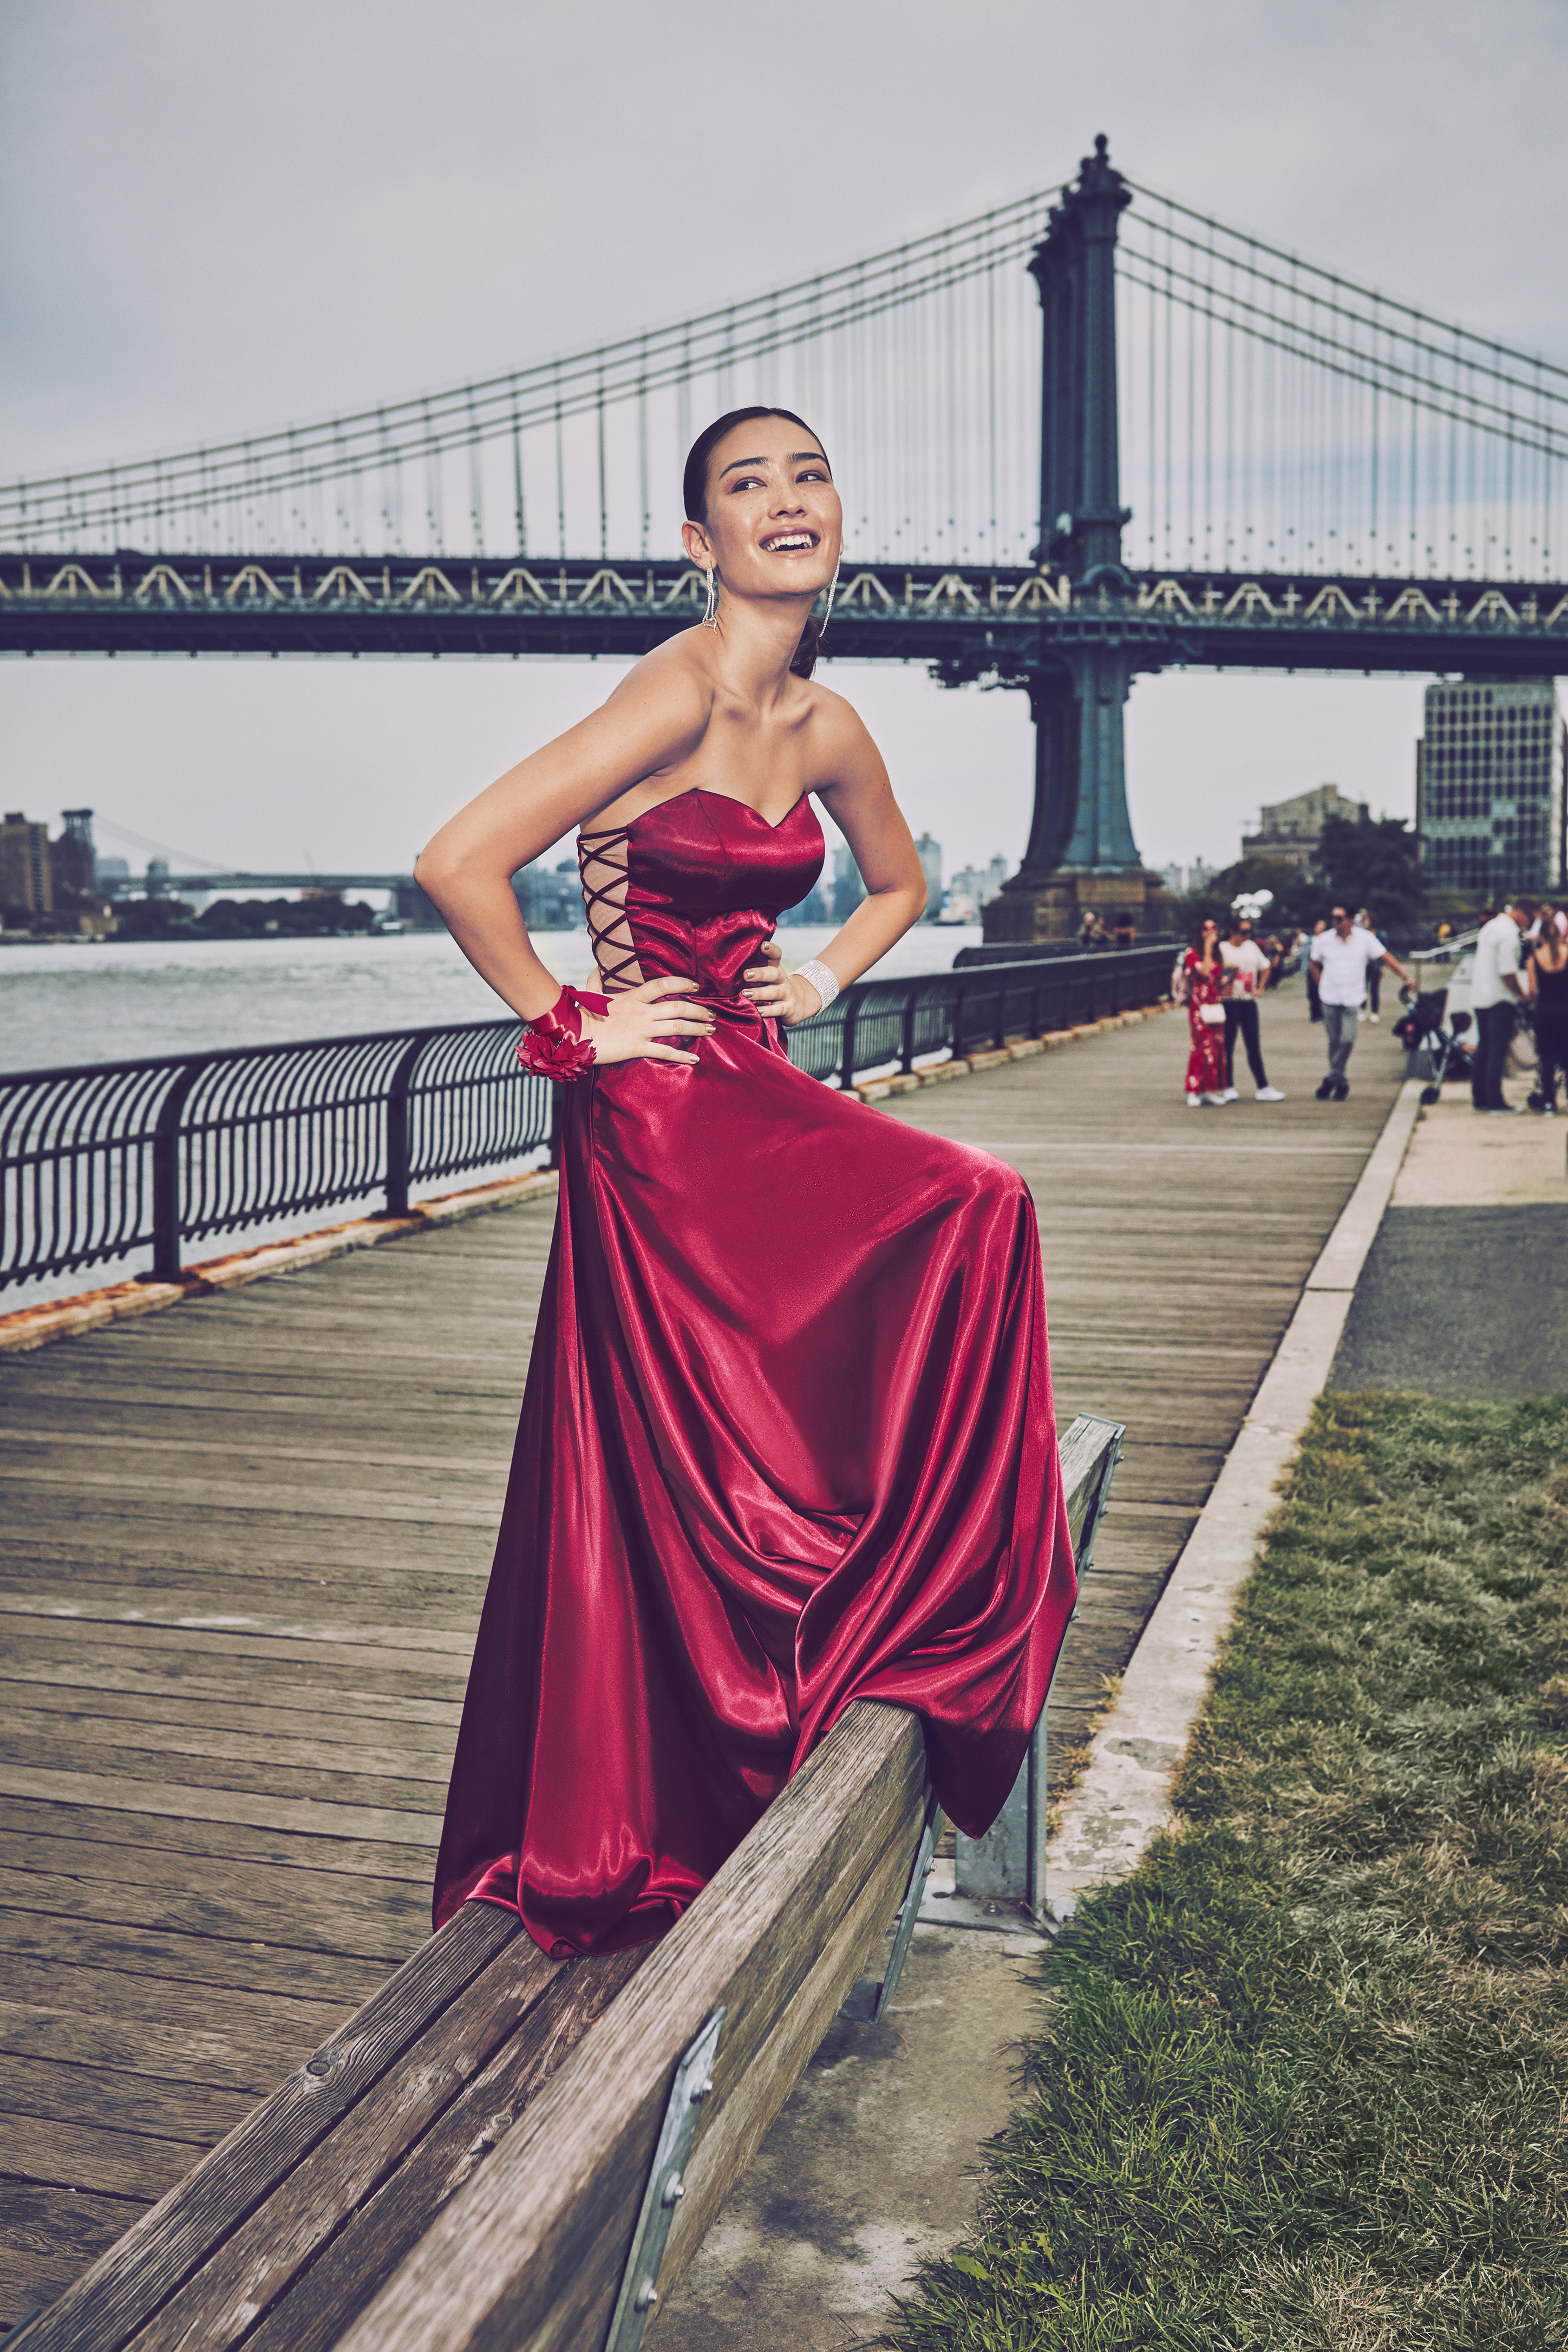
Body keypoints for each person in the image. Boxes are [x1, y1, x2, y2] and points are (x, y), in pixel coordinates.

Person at [413, 407, 1076, 1959]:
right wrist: (572, 1024)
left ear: (839, 515)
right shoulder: (676, 684)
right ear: (701, 543)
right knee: (947, 1225)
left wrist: (828, 970)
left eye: (810, 474)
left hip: (751, 1077)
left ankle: (837, 1616)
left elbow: (905, 881)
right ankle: (797, 1660)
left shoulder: (831, 724)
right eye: (744, 486)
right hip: (654, 1113)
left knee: (974, 1211)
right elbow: (459, 859)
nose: (787, 500)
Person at [1309, 905, 1413, 1100]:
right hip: (1329, 996)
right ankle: (1340, 1082)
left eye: (1339, 918)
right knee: (1334, 1042)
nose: (1335, 922)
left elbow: (1386, 957)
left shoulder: (1364, 939)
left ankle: (1331, 1079)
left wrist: (1405, 976)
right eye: (1333, 918)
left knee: (1347, 1040)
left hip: (1353, 996)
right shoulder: (1324, 940)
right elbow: (1313, 962)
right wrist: (1321, 983)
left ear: (1349, 920)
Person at [1471, 897, 1537, 1114]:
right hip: (1500, 999)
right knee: (1497, 1051)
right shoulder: (1509, 934)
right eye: (1530, 918)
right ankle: (1496, 1101)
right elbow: (1507, 972)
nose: (1528, 924)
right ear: (1521, 912)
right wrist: (1522, 995)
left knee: (1484, 1049)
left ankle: (1480, 1098)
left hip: (1481, 996)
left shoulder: (1491, 926)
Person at [1219, 914, 1285, 1102]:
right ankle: (1228, 1085)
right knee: (1228, 1045)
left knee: (1253, 1044)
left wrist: (1260, 988)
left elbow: (1266, 967)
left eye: (1250, 931)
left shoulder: (1252, 947)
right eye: (1244, 932)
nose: (1247, 935)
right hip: (1228, 1000)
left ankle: (1263, 1086)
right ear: (1233, 931)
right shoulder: (1222, 948)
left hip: (1248, 1001)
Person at [1180, 917, 1230, 1107]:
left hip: (1215, 1004)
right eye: (1207, 929)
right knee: (1202, 1046)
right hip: (1199, 1006)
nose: (1211, 933)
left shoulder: (1219, 954)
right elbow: (1205, 973)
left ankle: (1209, 1089)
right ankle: (1195, 1090)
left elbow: (1217, 979)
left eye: (1214, 929)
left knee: (1216, 1047)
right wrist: (1208, 948)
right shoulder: (1192, 954)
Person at [1525, 913, 1568, 1115]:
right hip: (1565, 1009)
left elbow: (1533, 990)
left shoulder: (1534, 959)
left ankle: (1550, 1101)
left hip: (1545, 1011)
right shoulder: (1567, 952)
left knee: (1547, 1056)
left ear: (1540, 936)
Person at [1354, 910, 1383, 1021]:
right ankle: (1362, 1010)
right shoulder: (1362, 934)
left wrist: (1382, 966)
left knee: (1374, 990)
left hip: (1376, 965)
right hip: (1364, 966)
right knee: (1363, 989)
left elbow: (1384, 953)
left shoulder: (1381, 934)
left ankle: (1374, 1012)